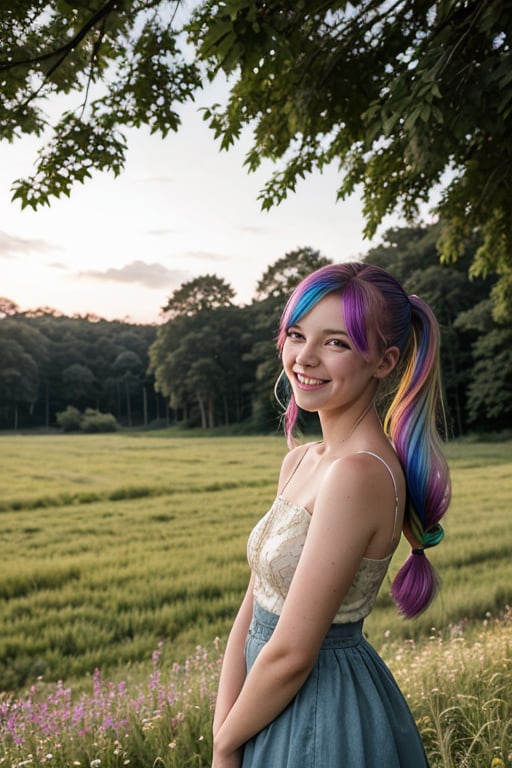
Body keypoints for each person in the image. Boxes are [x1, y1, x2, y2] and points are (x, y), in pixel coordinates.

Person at [212, 262, 451, 768]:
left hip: (318, 713)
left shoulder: (359, 474)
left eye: (336, 343)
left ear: (384, 362)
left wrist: (225, 744)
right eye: (297, 335)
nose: (305, 357)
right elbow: (253, 604)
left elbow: (293, 653)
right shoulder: (301, 459)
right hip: (263, 703)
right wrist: (224, 727)